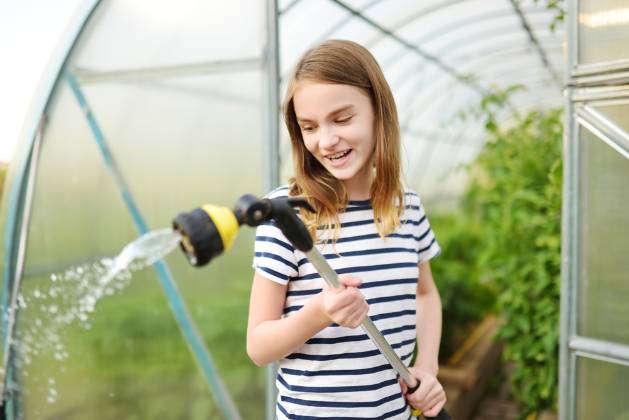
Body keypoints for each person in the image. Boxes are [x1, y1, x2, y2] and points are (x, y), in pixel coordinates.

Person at [247, 39, 446, 419]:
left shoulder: (407, 207)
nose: (326, 140)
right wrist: (319, 312)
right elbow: (259, 345)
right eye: (310, 126)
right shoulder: (286, 214)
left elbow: (426, 295)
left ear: (378, 112)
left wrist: (429, 367)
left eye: (342, 119)